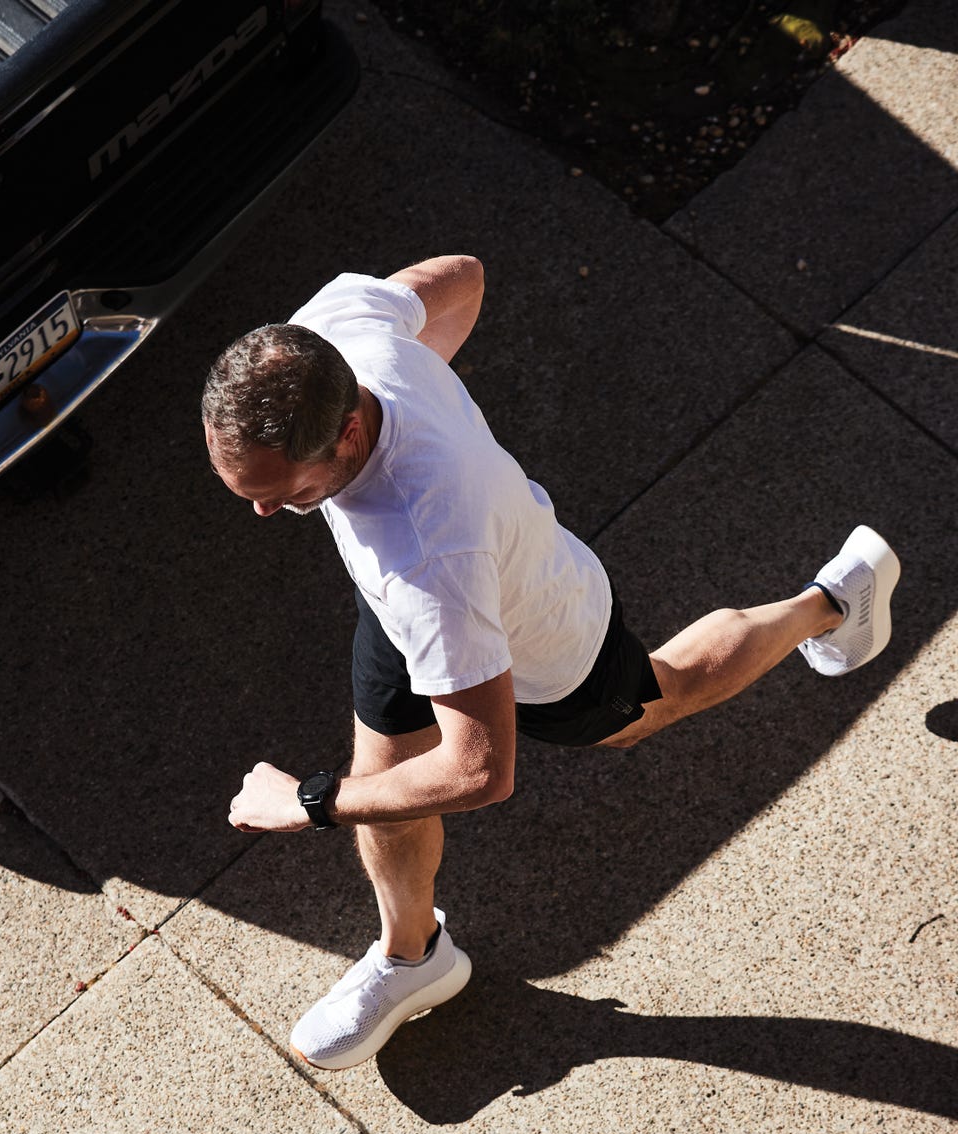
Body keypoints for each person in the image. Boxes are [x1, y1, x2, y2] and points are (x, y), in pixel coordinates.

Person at [201, 256, 900, 1072]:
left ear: (350, 432)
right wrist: (436, 410)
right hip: (403, 605)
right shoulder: (330, 334)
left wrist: (309, 803)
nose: (260, 512)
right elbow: (462, 277)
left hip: (542, 632)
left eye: (283, 496)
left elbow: (482, 771)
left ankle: (835, 600)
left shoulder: (430, 551)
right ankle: (413, 955)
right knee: (385, 786)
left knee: (653, 704)